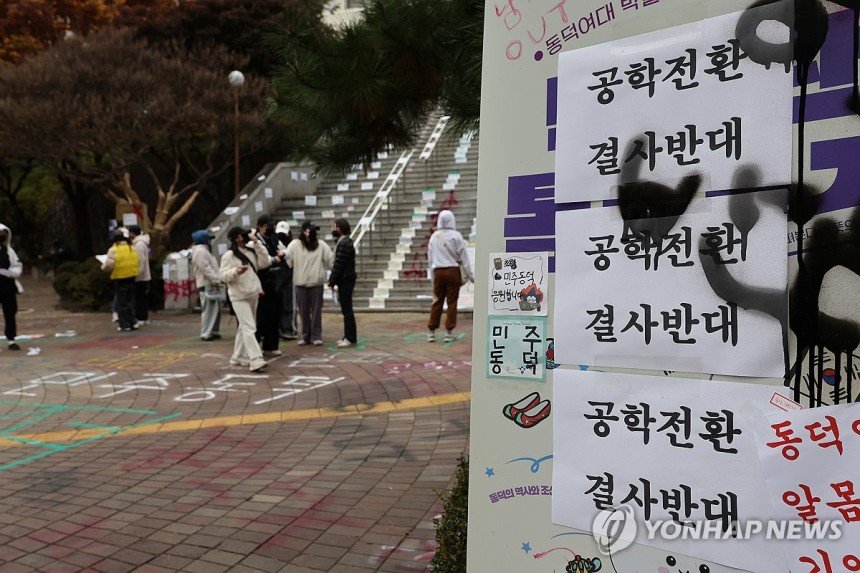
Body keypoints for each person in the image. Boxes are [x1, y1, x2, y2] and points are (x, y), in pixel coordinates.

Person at [219, 226, 271, 372]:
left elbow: (264, 262)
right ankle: (255, 359)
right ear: (236, 238)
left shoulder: (251, 250)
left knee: (244, 327)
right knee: (249, 327)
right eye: (242, 235)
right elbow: (222, 276)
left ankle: (238, 356)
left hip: (253, 293)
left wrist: (257, 244)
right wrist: (235, 271)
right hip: (238, 295)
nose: (246, 236)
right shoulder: (229, 255)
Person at [426, 209, 473, 343]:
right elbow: (464, 257)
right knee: (452, 302)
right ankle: (448, 332)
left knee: (437, 301)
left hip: (438, 272)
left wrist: (432, 277)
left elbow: (430, 259)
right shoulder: (456, 236)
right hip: (453, 271)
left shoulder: (434, 237)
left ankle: (431, 331)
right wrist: (470, 275)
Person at [284, 220, 333, 346]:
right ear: (304, 231)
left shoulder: (321, 245)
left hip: (316, 283)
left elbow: (330, 260)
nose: (312, 232)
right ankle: (306, 336)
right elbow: (288, 259)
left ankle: (316, 335)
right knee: (303, 312)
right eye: (310, 230)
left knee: (316, 311)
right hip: (300, 283)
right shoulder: (295, 245)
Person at [253, 215, 287, 357]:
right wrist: (274, 259)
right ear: (260, 227)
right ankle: (255, 345)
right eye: (268, 225)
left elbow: (284, 249)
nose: (270, 228)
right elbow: (261, 261)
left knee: (275, 314)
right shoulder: (255, 241)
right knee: (261, 316)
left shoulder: (274, 238)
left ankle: (271, 345)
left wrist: (281, 254)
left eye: (272, 225)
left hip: (275, 281)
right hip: (261, 281)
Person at [102, 230, 140, 332]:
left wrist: (103, 267)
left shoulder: (113, 250)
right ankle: (133, 322)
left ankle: (125, 324)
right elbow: (138, 260)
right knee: (130, 301)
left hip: (120, 278)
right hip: (132, 276)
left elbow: (109, 265)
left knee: (122, 302)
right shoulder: (131, 247)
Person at [328, 218, 357, 348]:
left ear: (340, 228)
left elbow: (339, 264)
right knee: (346, 309)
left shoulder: (344, 244)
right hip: (346, 279)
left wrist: (332, 280)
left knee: (347, 310)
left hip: (346, 280)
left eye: (335, 227)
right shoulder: (343, 242)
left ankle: (350, 337)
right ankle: (348, 336)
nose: (333, 229)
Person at [191, 230, 222, 341]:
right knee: (209, 309)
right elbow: (205, 268)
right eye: (209, 238)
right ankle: (206, 333)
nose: (210, 240)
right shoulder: (200, 251)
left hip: (211, 283)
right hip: (207, 283)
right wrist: (216, 279)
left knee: (215, 308)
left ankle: (213, 330)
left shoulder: (205, 250)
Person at [0, 223, 23, 351]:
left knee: (10, 312)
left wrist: (11, 273)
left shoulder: (9, 251)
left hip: (8, 286)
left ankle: (11, 339)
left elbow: (17, 266)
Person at [275, 221, 298, 340]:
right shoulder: (274, 243)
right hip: (278, 277)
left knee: (289, 304)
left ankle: (290, 328)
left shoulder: (293, 244)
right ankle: (281, 327)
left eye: (284, 234)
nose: (281, 236)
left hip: (290, 277)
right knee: (279, 304)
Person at [127, 224, 151, 325]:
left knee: (139, 298)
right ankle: (144, 317)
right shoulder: (142, 243)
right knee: (142, 297)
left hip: (141, 276)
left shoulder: (139, 244)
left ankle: (141, 317)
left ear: (133, 233)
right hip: (144, 275)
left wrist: (137, 275)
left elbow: (140, 261)